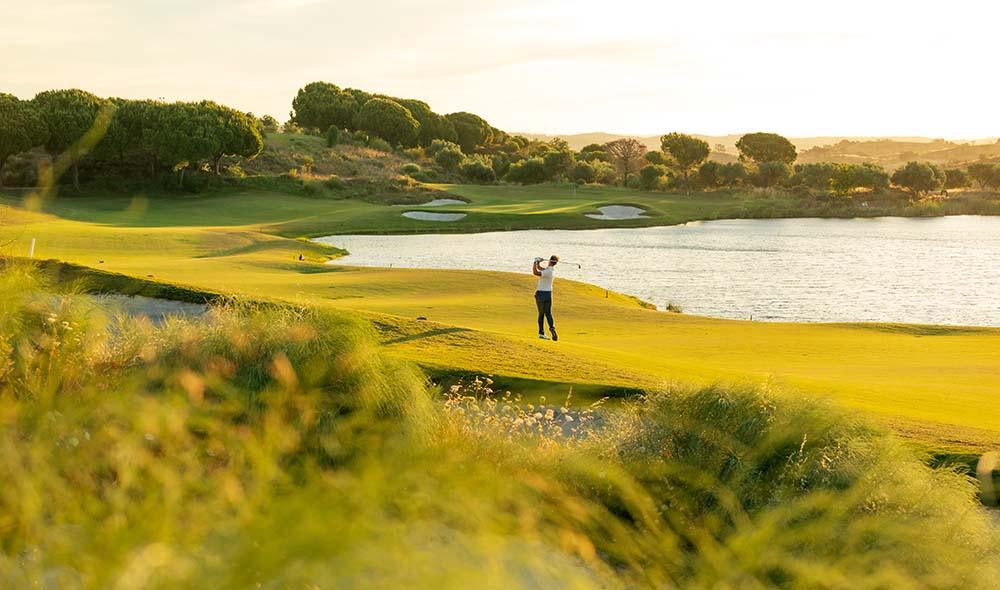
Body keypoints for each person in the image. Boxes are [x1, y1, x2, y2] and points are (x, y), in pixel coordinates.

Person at [532, 255, 559, 341]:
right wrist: (538, 262)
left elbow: (535, 272)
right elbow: (540, 268)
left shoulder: (547, 271)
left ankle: (541, 333)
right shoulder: (550, 270)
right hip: (548, 294)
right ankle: (552, 328)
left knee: (541, 314)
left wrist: (534, 262)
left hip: (541, 293)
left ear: (550, 261)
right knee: (548, 313)